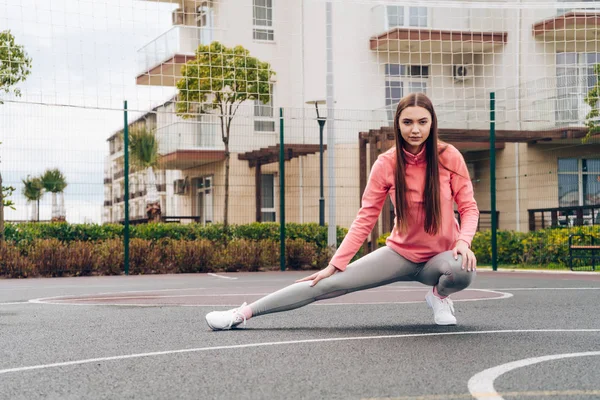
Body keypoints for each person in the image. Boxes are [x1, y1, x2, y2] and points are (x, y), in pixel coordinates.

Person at [205, 92, 479, 330]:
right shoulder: (386, 163)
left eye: (422, 122)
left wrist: (463, 242)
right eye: (407, 122)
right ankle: (241, 314)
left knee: (462, 269)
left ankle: (439, 297)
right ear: (397, 123)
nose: (415, 129)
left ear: (432, 123)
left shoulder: (449, 157)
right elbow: (366, 218)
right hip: (400, 254)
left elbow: (468, 208)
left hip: (440, 259)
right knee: (324, 284)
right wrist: (335, 265)